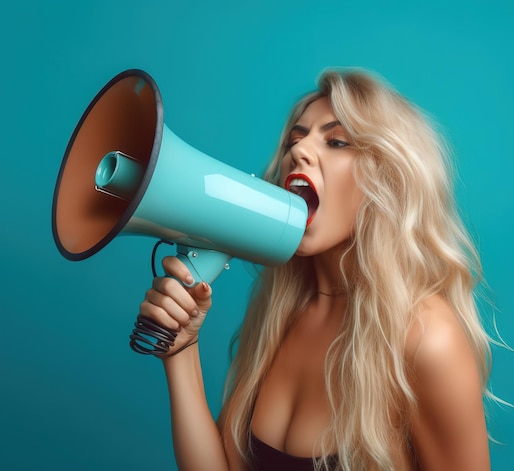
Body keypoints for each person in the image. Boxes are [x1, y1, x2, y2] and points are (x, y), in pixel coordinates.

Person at [138, 69, 493, 470]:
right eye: (296, 138)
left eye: (336, 141)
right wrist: (181, 351)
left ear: (389, 180)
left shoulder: (428, 339)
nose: (300, 150)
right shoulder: (281, 312)